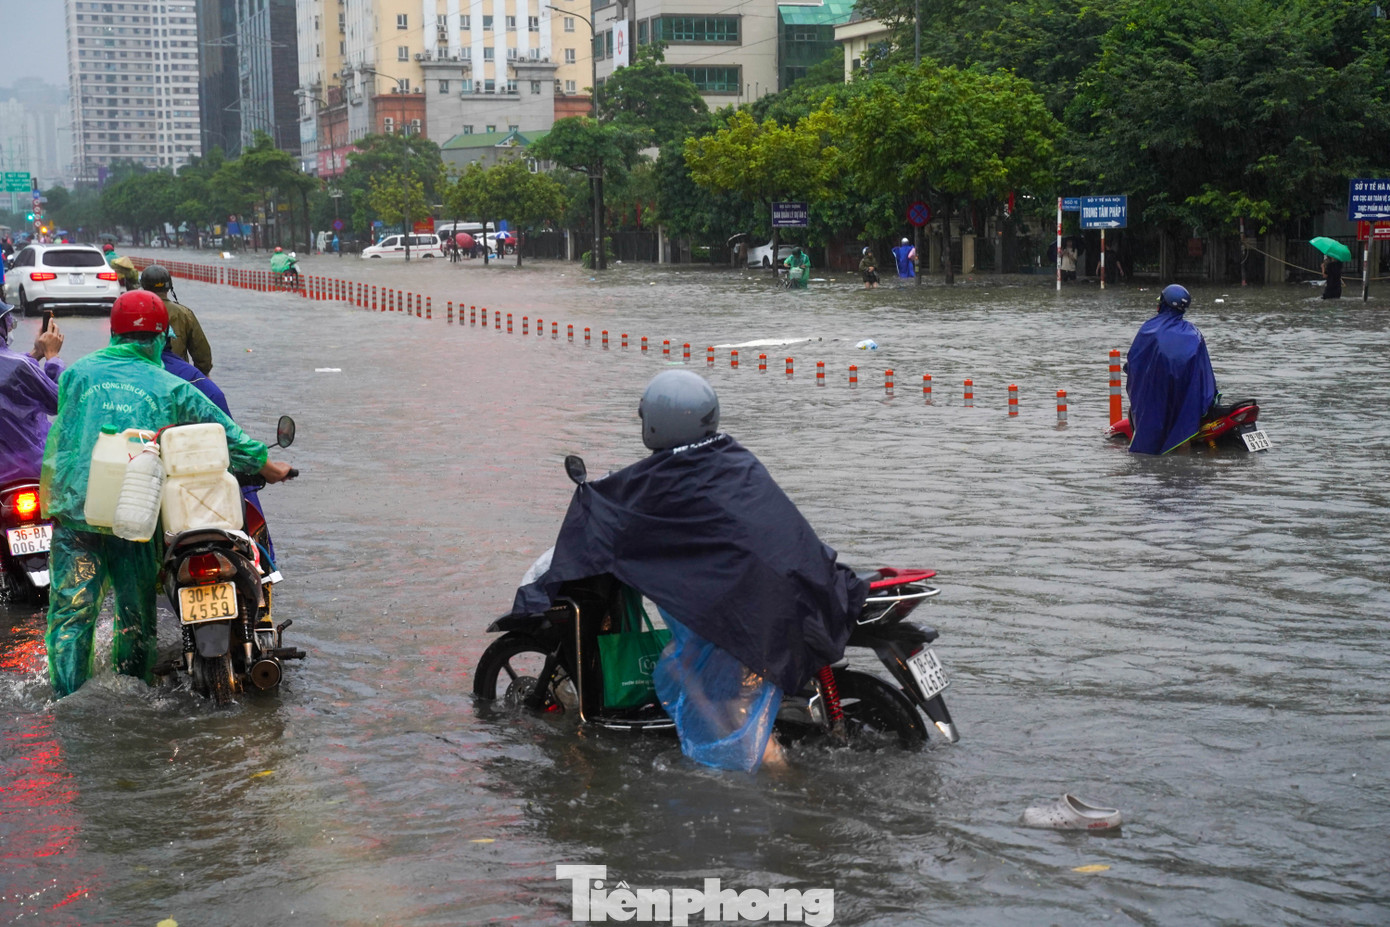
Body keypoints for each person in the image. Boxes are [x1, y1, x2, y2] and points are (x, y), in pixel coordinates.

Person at [513, 370, 868, 772]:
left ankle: (767, 760)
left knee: (682, 669)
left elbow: (622, 512)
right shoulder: (730, 456)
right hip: (799, 583)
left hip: (745, 603)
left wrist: (591, 497)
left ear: (655, 423)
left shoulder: (666, 479)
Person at [41, 291, 293, 699]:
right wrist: (269, 465)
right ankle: (132, 690)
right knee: (134, 616)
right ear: (162, 337)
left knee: (71, 613)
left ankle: (65, 698)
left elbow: (64, 438)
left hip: (74, 513)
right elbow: (229, 436)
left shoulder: (77, 374)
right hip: (135, 516)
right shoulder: (173, 387)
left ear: (113, 332)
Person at [1125, 284, 1217, 455]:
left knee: (1147, 430)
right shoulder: (1194, 333)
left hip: (1156, 392)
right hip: (1185, 393)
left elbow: (1135, 360)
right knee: (1183, 432)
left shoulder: (1149, 329)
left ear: (1162, 304)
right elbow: (1203, 370)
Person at [0, 302, 65, 485]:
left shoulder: (20, 366)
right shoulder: (21, 366)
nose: (11, 326)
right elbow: (61, 400)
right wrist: (52, 357)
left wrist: (36, 352)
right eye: (9, 322)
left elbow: (11, 376)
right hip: (27, 468)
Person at [139, 264, 213, 375]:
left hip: (142, 376)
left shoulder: (134, 311)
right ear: (169, 287)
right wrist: (201, 375)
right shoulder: (184, 314)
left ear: (144, 286)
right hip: (178, 377)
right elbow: (202, 354)